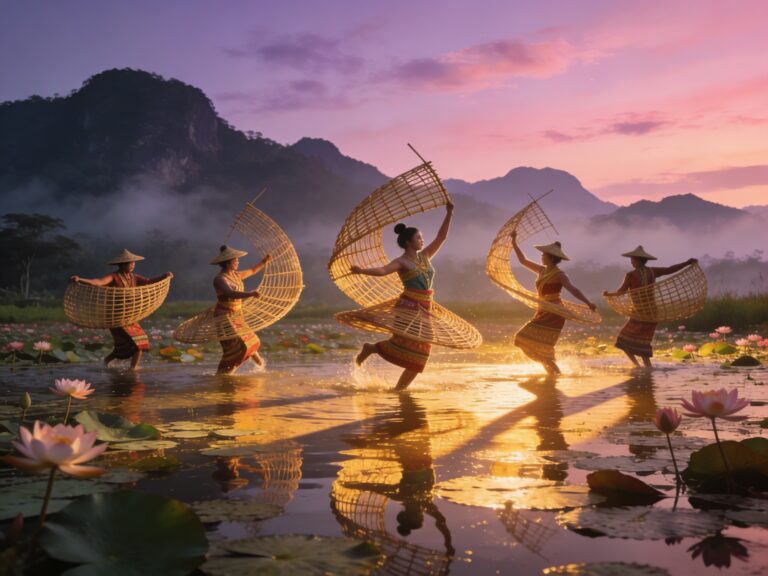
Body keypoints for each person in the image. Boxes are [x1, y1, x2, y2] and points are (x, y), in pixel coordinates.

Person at [351, 201, 453, 390]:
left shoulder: (426, 256)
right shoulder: (401, 262)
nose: (422, 241)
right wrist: (361, 270)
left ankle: (398, 387)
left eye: (421, 238)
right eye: (418, 238)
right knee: (404, 344)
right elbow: (382, 270)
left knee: (422, 352)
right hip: (408, 306)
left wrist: (449, 212)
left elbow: (442, 236)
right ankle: (375, 353)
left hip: (425, 307)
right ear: (408, 242)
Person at [510, 232, 596, 376]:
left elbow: (573, 289)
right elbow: (523, 261)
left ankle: (554, 376)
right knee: (521, 341)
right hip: (543, 310)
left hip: (555, 312)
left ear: (550, 258)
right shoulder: (542, 270)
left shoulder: (559, 275)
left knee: (537, 345)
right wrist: (514, 242)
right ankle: (553, 374)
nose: (541, 256)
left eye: (544, 255)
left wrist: (588, 302)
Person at [71, 249, 172, 370]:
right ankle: (118, 365)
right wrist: (80, 279)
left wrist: (164, 276)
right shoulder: (113, 277)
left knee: (139, 342)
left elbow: (148, 282)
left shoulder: (134, 277)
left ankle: (130, 367)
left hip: (130, 316)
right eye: (130, 263)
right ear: (122, 264)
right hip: (116, 317)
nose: (133, 265)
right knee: (127, 344)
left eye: (134, 263)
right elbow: (98, 282)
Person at [604, 246, 697, 368]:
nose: (631, 262)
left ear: (638, 260)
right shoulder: (652, 271)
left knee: (622, 341)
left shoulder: (630, 275)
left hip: (639, 313)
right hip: (652, 313)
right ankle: (646, 368)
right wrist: (687, 263)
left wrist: (608, 294)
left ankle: (638, 366)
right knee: (644, 343)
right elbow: (670, 269)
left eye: (632, 259)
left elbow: (621, 291)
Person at [210, 245, 271, 375]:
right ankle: (224, 375)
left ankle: (262, 369)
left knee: (251, 341)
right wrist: (251, 294)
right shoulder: (220, 279)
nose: (238, 262)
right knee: (237, 347)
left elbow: (254, 270)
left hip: (236, 315)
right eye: (236, 260)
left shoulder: (236, 275)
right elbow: (231, 293)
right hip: (224, 318)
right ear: (228, 263)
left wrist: (264, 262)